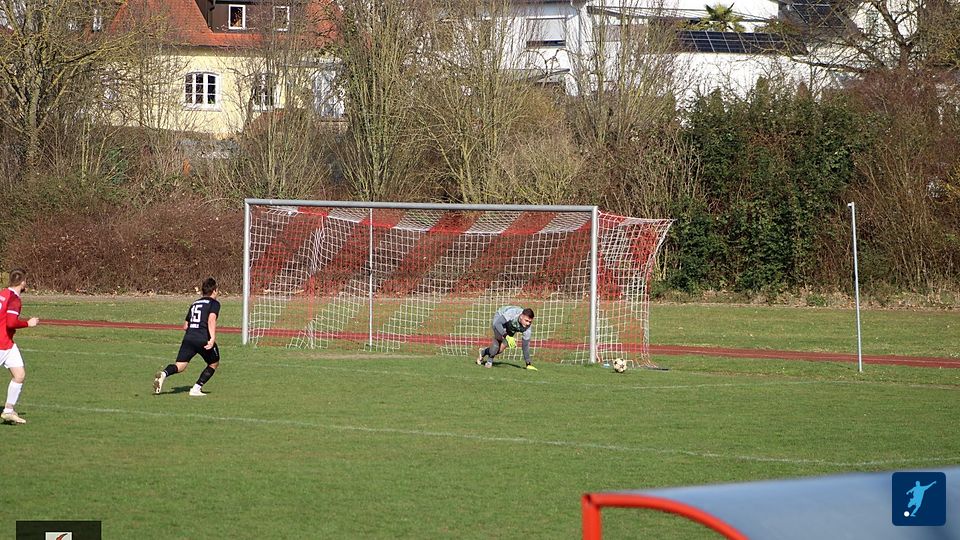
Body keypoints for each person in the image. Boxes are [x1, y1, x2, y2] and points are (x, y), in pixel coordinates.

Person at [154, 277, 221, 397]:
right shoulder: (214, 303)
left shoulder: (195, 303)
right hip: (203, 338)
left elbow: (185, 326)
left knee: (180, 366)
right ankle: (196, 388)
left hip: (189, 337)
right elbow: (211, 319)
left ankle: (164, 374)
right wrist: (212, 339)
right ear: (214, 290)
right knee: (213, 363)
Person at [0, 269, 40, 425]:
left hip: (8, 344)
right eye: (26, 281)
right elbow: (11, 323)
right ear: (22, 282)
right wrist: (28, 323)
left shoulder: (3, 293)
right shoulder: (14, 299)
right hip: (2, 344)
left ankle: (8, 411)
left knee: (20, 375)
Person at [476, 306, 537, 370]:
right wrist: (506, 336)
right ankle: (489, 361)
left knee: (500, 350)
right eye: (526, 320)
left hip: (510, 327)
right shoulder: (513, 313)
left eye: (530, 322)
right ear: (521, 316)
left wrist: (528, 363)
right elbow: (497, 324)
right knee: (498, 342)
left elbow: (525, 345)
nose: (528, 323)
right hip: (499, 319)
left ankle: (483, 352)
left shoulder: (527, 328)